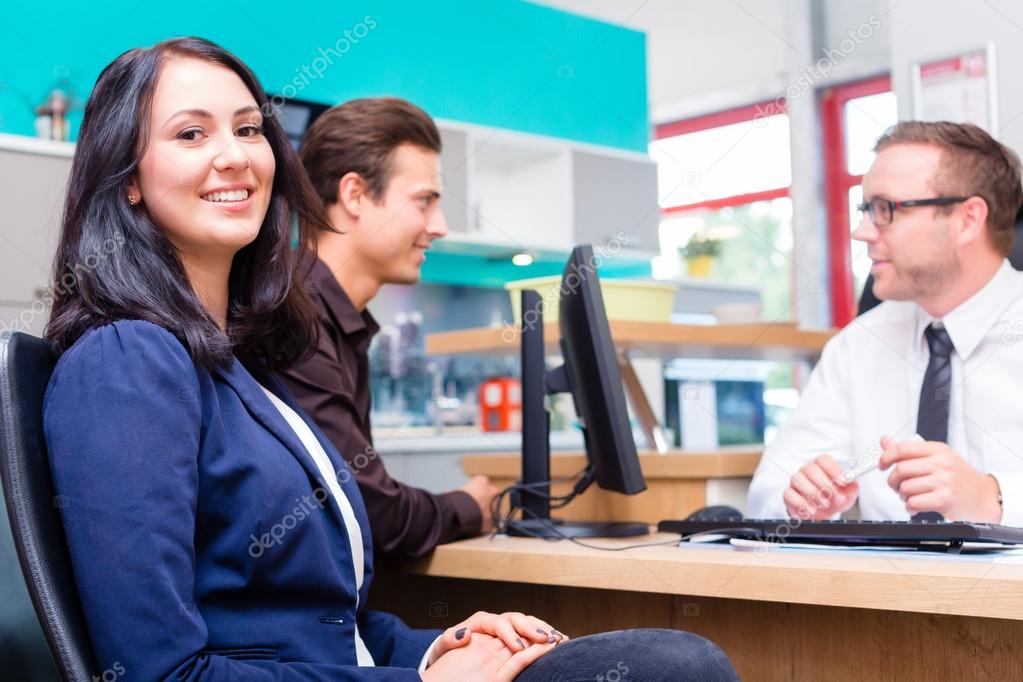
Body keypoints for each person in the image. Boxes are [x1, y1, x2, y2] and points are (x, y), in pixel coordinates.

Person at [42, 37, 738, 680]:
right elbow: (159, 673)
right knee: (678, 667)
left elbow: (322, 621)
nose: (235, 155)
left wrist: (440, 646)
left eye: (249, 128)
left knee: (667, 661)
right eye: (191, 133)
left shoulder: (235, 364)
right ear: (127, 178)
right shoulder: (126, 360)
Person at [747, 120, 1023, 525]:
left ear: (967, 219)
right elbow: (768, 490)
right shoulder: (859, 343)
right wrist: (797, 498)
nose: (862, 233)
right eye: (866, 210)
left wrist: (993, 498)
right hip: (883, 586)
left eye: (885, 210)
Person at [280, 98, 497, 558]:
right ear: (355, 194)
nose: (438, 227)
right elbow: (369, 512)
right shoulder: (294, 319)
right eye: (424, 202)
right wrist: (470, 506)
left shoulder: (333, 317)